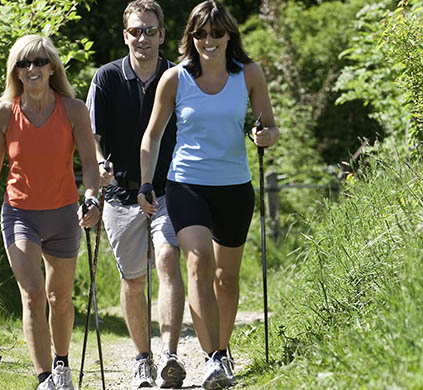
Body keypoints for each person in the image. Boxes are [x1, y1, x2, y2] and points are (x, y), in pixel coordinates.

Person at [137, 1, 280, 388]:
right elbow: (152, 134)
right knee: (198, 264)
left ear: (229, 34)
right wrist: (147, 182)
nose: (209, 40)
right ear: (191, 37)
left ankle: (223, 348)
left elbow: (269, 125)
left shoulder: (248, 74)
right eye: (201, 33)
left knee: (226, 278)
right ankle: (213, 357)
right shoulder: (176, 78)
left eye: (216, 33)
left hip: (234, 186)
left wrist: (264, 135)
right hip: (187, 184)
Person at [0, 34, 100, 390]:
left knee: (60, 298)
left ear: (53, 66)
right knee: (33, 293)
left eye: (39, 61)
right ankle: (44, 379)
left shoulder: (73, 109)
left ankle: (62, 363)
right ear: (16, 72)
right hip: (20, 213)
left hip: (65, 213)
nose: (32, 68)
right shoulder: (3, 113)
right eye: (24, 63)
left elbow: (88, 162)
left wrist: (92, 198)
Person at [84, 0, 187, 388]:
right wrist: (99, 165)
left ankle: (170, 356)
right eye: (135, 31)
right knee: (133, 280)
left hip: (168, 192)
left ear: (162, 35)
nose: (142, 38)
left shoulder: (178, 77)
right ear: (125, 35)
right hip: (121, 194)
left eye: (149, 30)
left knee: (167, 259)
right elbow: (89, 138)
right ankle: (142, 358)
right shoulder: (106, 78)